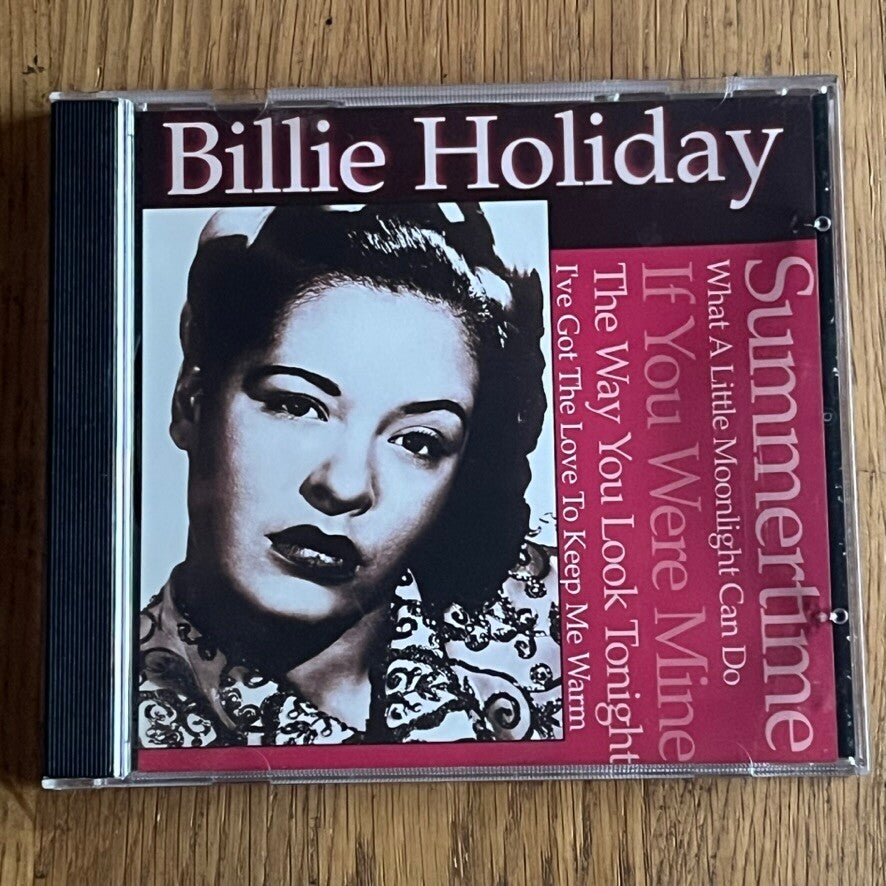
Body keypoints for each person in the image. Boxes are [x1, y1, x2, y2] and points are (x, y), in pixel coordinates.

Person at [138, 203, 562, 747]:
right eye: (297, 405)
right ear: (191, 402)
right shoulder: (115, 712)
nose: (343, 486)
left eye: (418, 442)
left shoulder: (561, 617)